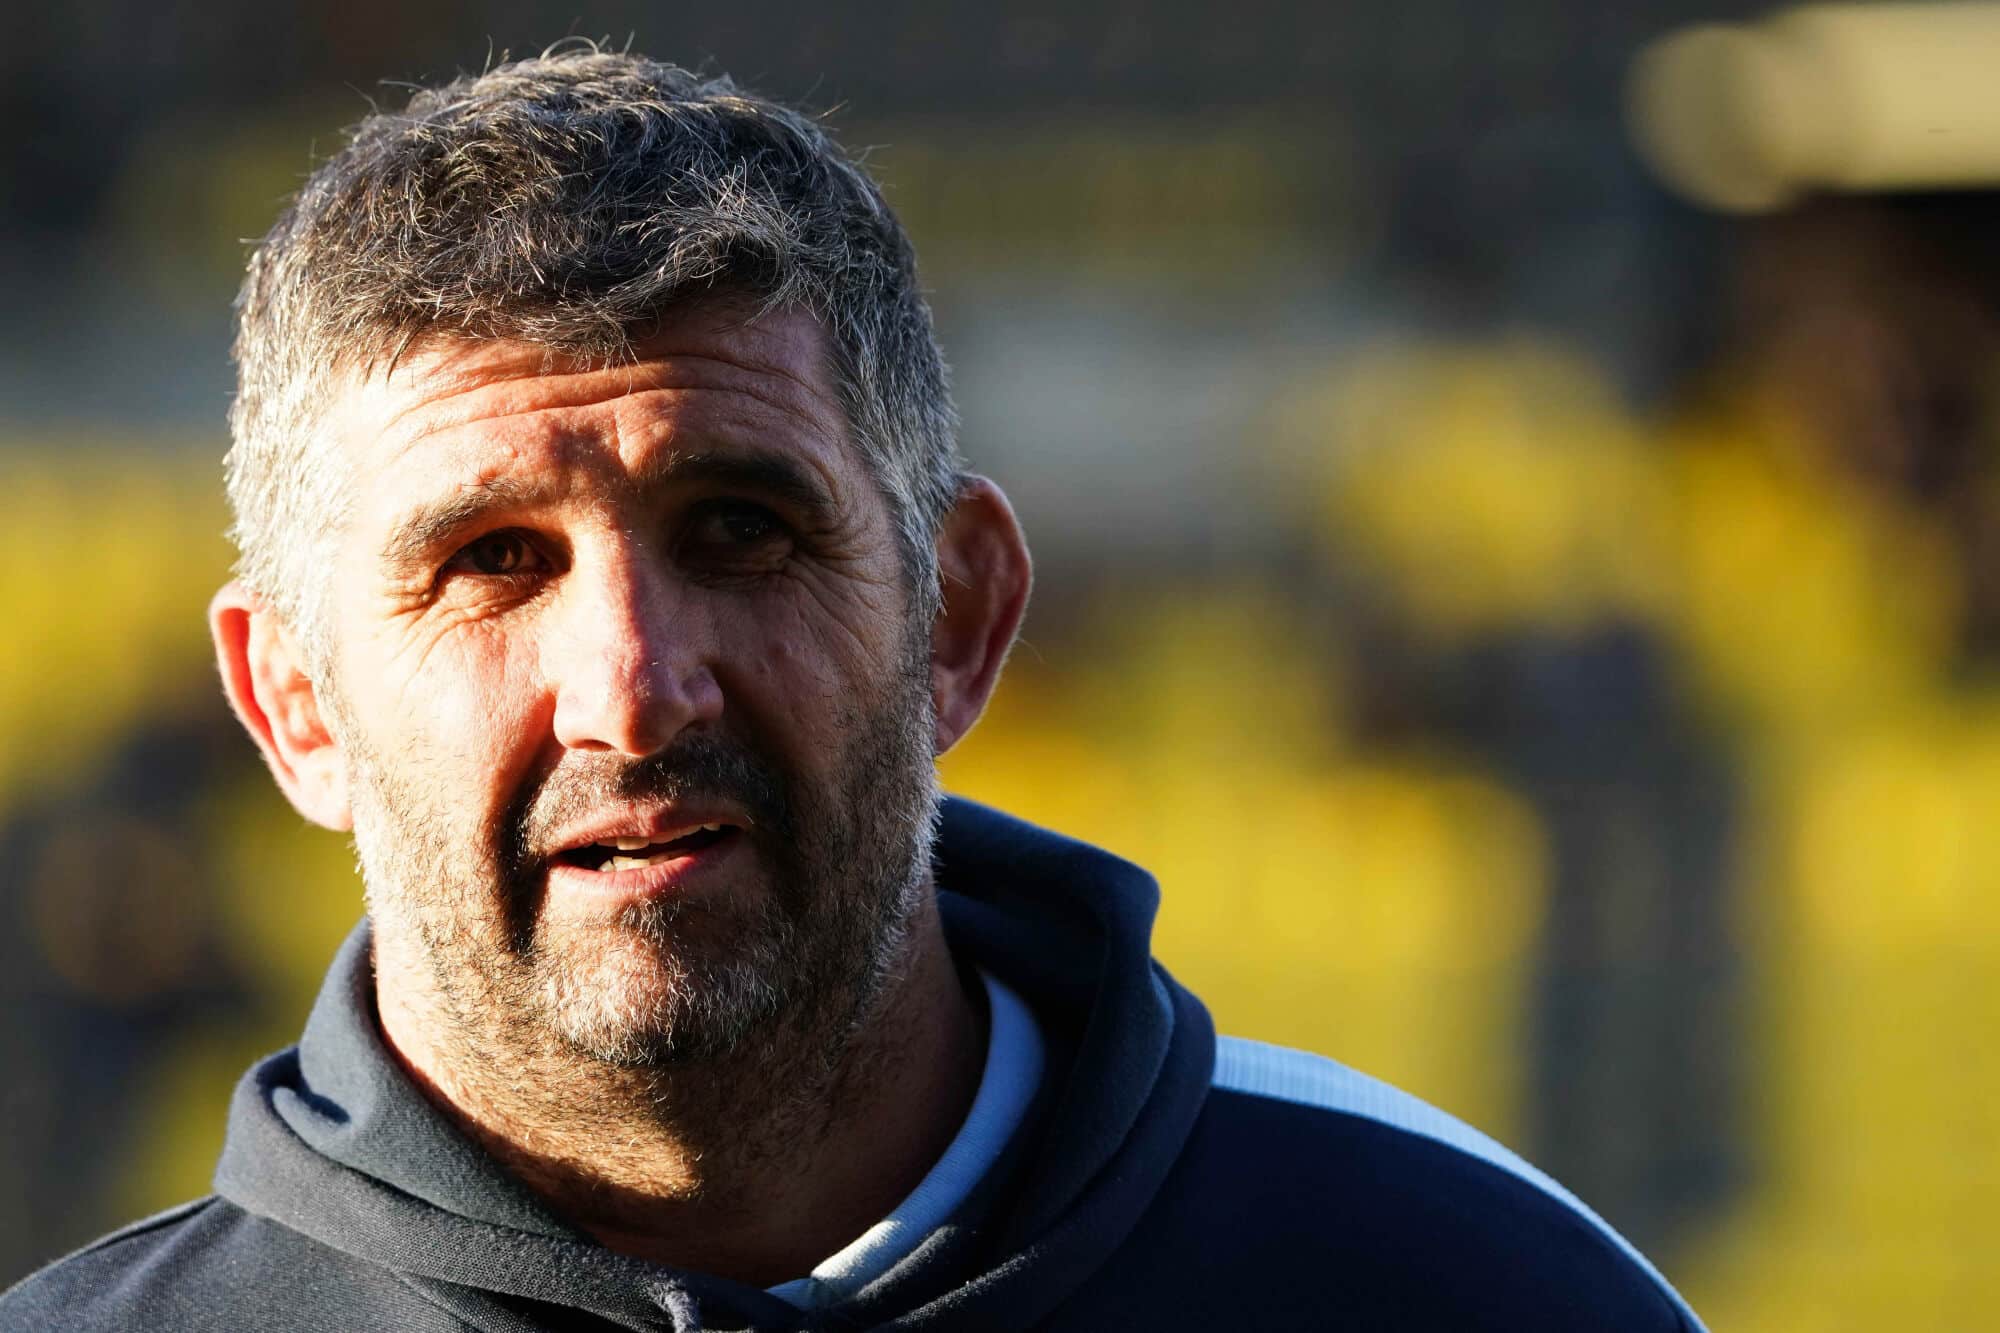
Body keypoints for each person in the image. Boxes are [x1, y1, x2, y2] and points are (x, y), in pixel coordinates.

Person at [2, 48, 1705, 1332]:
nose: (634, 690)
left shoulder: (1479, 1287)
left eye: (741, 529)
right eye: (494, 561)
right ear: (294, 705)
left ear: (959, 615)